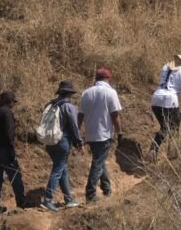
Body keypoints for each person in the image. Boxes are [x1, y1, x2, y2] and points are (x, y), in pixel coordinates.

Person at [78, 67, 122, 204]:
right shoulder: (111, 92)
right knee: (97, 163)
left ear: (96, 78)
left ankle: (107, 189)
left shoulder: (86, 93)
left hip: (91, 134)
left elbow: (80, 115)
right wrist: (119, 131)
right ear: (108, 78)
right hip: (104, 134)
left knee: (99, 161)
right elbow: (115, 115)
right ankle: (90, 195)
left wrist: (78, 132)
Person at [148, 48, 181, 160]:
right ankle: (172, 156)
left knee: (165, 127)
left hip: (156, 99)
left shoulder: (166, 66)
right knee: (174, 129)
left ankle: (153, 149)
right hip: (170, 101)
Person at [40, 80, 83, 211]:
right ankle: (47, 200)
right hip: (62, 141)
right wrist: (79, 141)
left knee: (62, 168)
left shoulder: (51, 104)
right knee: (58, 170)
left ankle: (68, 199)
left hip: (50, 142)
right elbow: (74, 127)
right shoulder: (69, 107)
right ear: (70, 93)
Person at [0, 90, 26, 215]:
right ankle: (21, 202)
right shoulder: (7, 112)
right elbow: (9, 134)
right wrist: (12, 151)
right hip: (4, 150)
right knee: (16, 176)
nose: (14, 104)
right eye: (13, 102)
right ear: (9, 101)